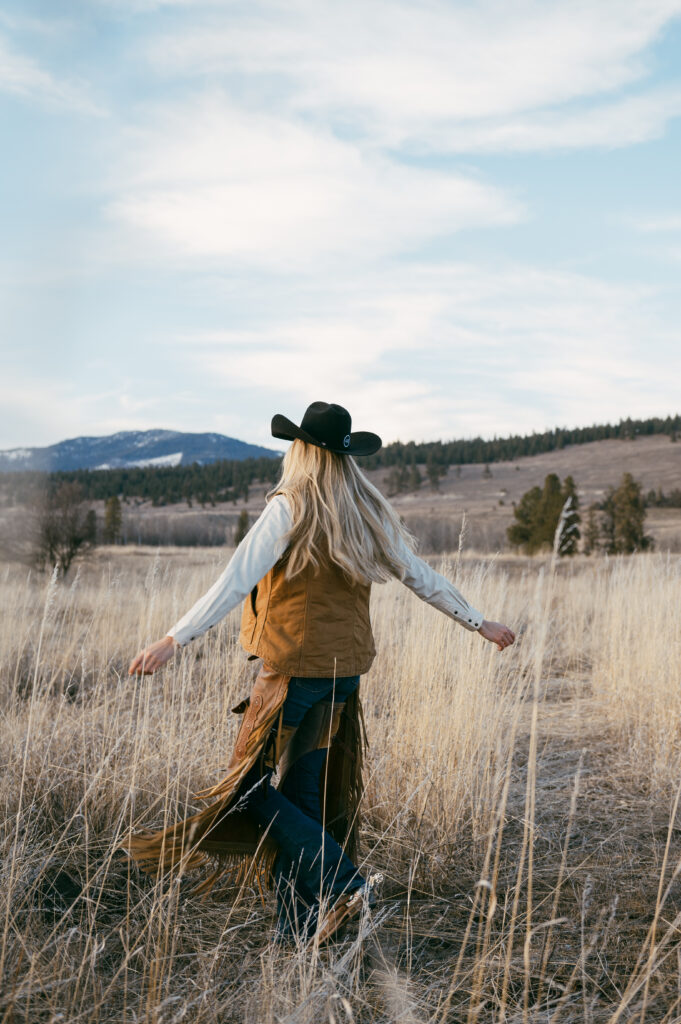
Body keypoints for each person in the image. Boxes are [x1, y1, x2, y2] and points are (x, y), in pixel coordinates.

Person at [126, 401, 516, 945]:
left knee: (245, 791)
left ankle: (344, 885)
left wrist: (174, 639)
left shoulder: (290, 507)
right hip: (344, 674)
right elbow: (421, 576)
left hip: (292, 672)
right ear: (344, 457)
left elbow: (235, 579)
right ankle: (301, 930)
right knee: (306, 798)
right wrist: (479, 622)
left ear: (303, 451)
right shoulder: (365, 512)